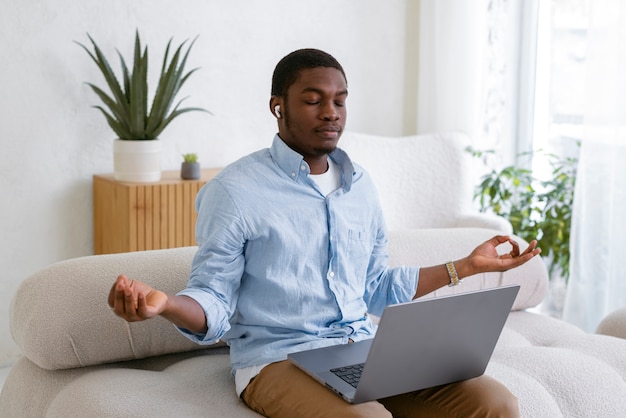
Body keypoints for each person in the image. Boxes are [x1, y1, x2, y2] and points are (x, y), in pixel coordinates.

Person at [108, 48, 541, 417]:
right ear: (278, 106)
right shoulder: (234, 191)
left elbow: (373, 288)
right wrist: (165, 304)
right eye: (313, 100)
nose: (331, 112)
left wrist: (465, 267)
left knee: (494, 404)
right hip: (277, 359)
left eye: (339, 100)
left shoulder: (361, 187)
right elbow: (215, 299)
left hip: (363, 349)